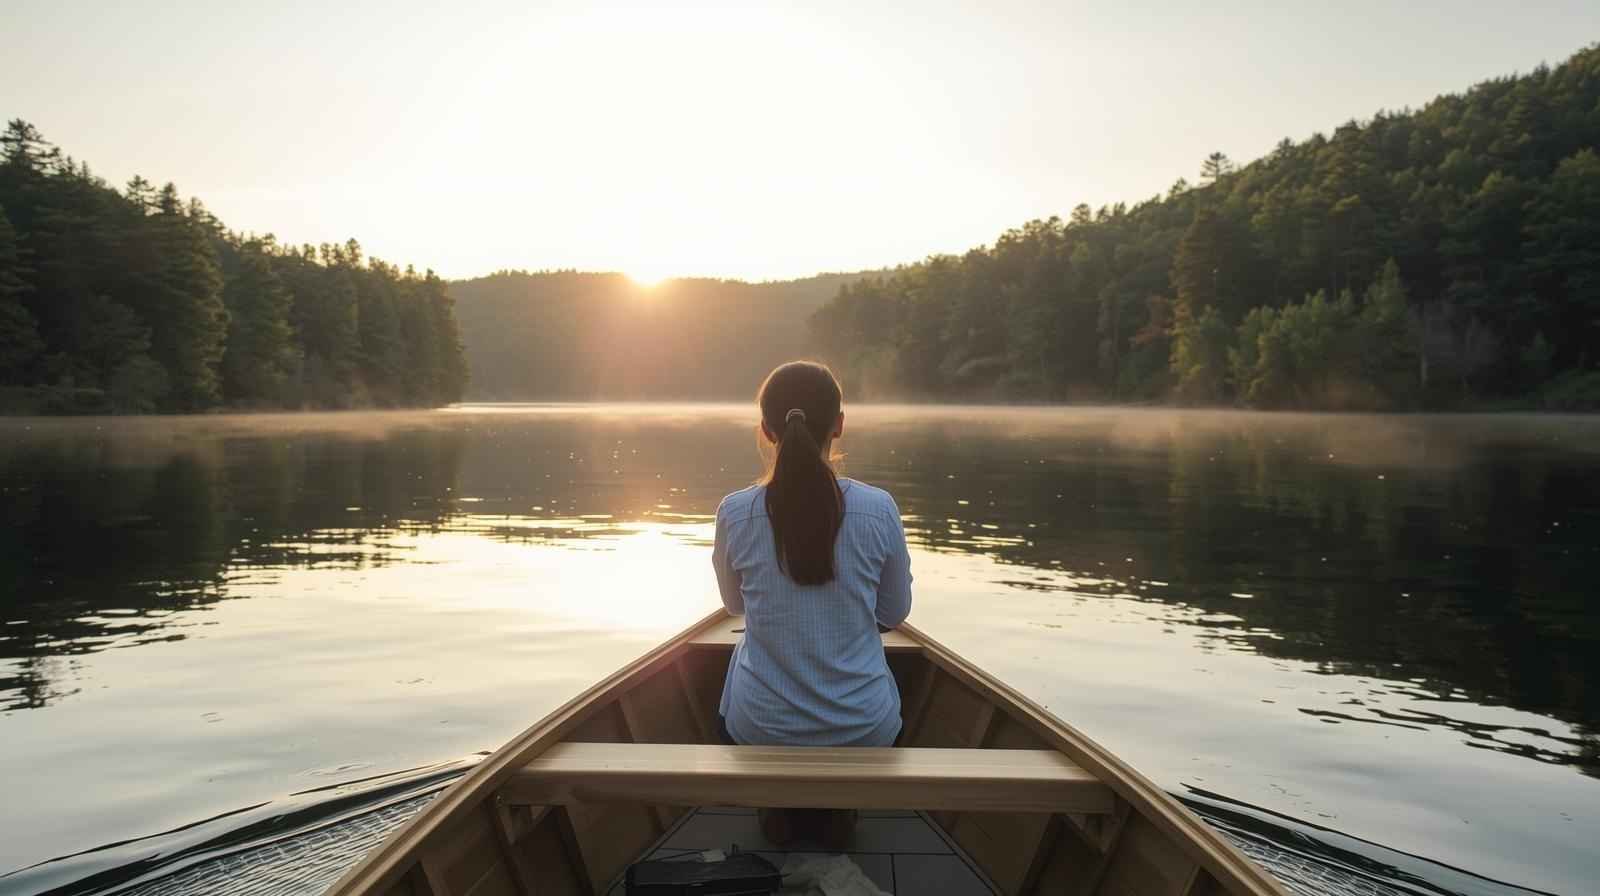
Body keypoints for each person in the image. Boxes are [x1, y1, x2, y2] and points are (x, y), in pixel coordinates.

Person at [711, 361, 913, 848]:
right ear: (839, 425)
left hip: (761, 726)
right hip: (864, 728)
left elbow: (734, 605)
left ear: (766, 429)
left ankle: (776, 813)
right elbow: (894, 613)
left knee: (737, 665)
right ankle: (840, 814)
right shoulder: (879, 507)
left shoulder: (735, 511)